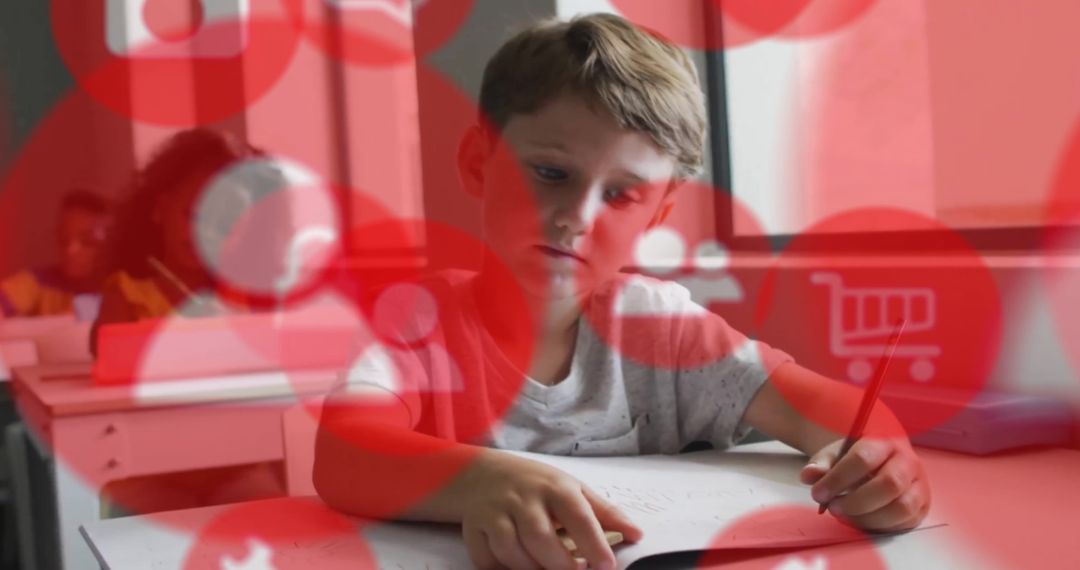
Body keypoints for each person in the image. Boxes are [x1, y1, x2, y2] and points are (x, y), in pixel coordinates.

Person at [314, 14, 930, 570]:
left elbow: (843, 413)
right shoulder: (416, 325)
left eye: (620, 194)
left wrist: (882, 463)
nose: (577, 216)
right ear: (478, 162)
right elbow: (343, 453)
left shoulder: (664, 329)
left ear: (659, 214)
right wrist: (482, 482)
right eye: (551, 173)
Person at [91, 128, 288, 513]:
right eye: (193, 215)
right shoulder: (129, 291)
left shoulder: (243, 297)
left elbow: (275, 371)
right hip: (147, 470)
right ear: (160, 209)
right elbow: (106, 353)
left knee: (273, 521)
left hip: (234, 469)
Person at [0, 189, 110, 318]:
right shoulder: (39, 282)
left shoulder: (121, 293)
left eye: (87, 241)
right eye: (64, 238)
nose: (70, 250)